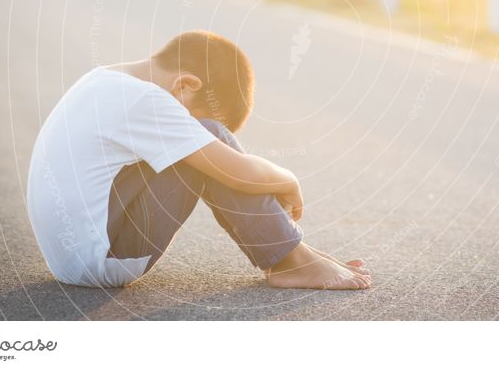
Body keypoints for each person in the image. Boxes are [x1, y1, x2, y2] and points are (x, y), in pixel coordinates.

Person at [27, 30, 371, 290]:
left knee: (203, 141)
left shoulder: (102, 80)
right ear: (186, 84)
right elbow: (239, 173)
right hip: (104, 261)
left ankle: (293, 251)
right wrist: (289, 180)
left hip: (75, 258)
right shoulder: (144, 100)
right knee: (210, 135)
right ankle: (290, 260)